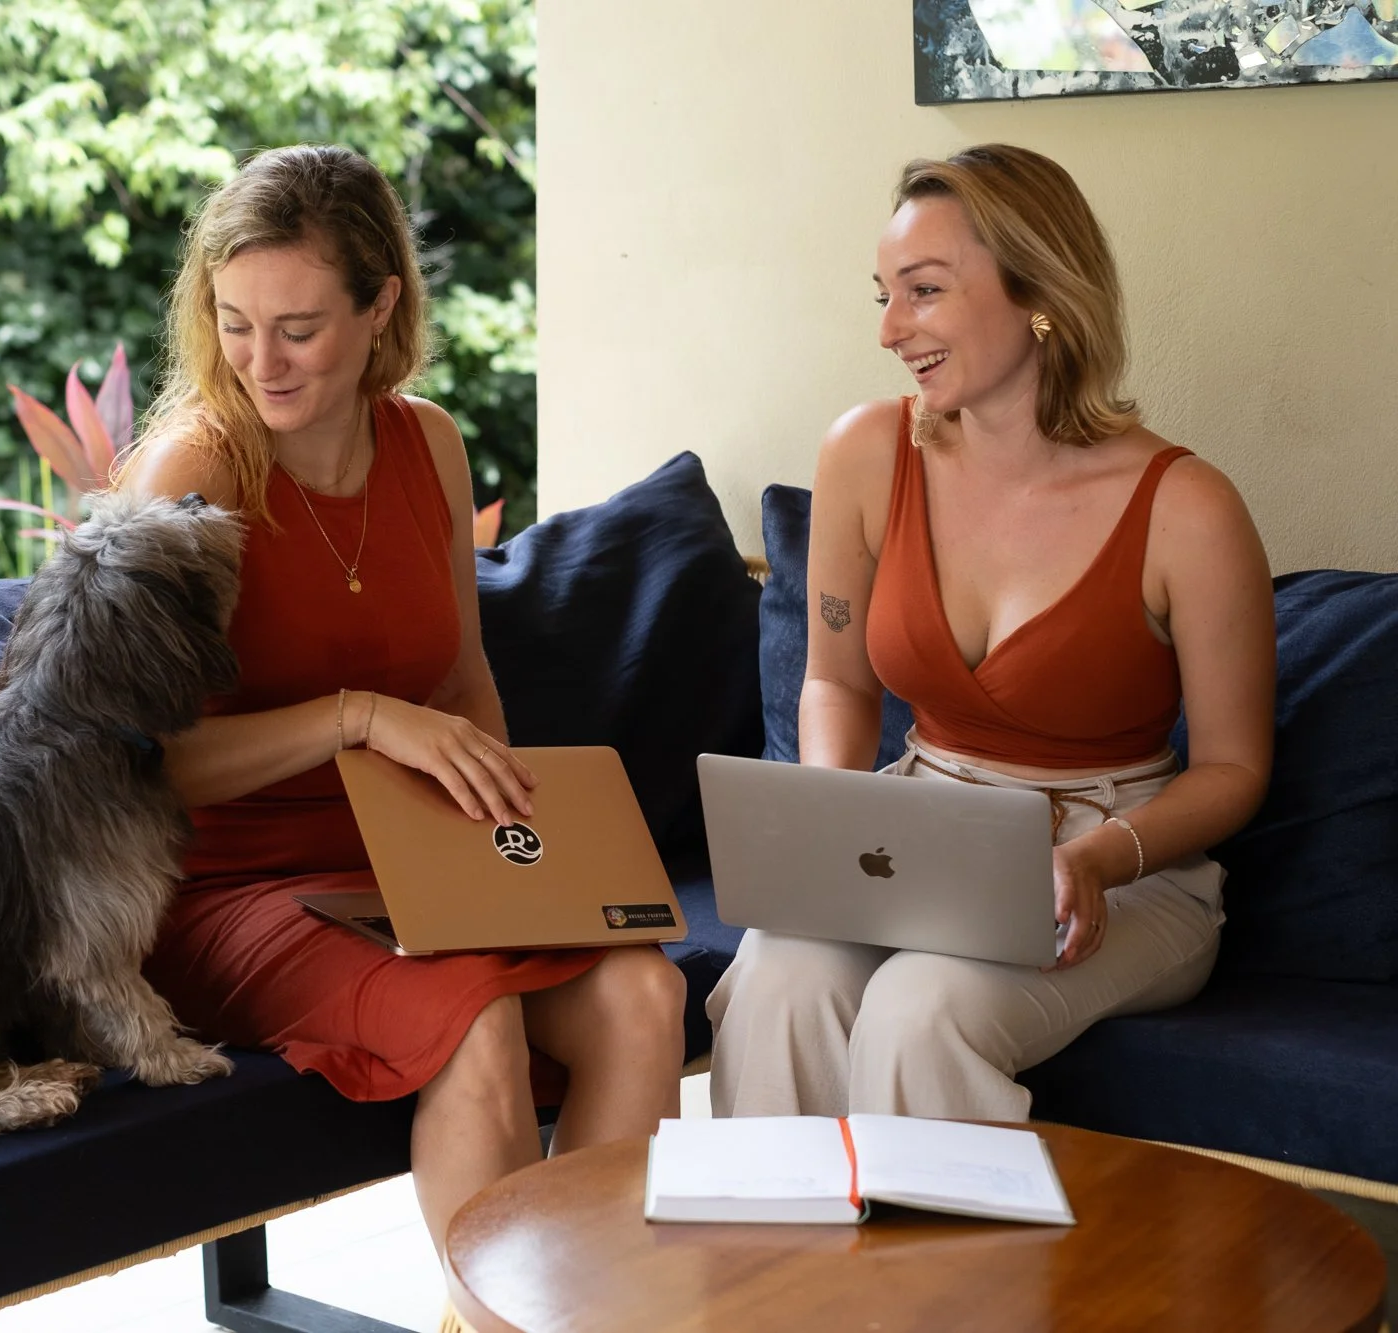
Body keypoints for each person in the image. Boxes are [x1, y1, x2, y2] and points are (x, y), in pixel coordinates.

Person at [120, 144, 686, 1277]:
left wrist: (518, 850)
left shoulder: (424, 440)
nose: (259, 360)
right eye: (234, 322)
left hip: (411, 862)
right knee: (473, 1018)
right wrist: (358, 717)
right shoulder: (198, 472)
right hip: (229, 889)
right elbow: (141, 758)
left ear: (381, 304)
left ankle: (584, 1305)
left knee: (643, 990)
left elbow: (463, 680)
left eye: (297, 325)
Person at [708, 143, 1275, 1121]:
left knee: (920, 1008)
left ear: (1038, 290)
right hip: (914, 835)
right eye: (881, 294)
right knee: (778, 975)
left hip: (1119, 863)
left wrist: (1093, 862)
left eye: (921, 291)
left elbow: (1231, 770)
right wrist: (832, 834)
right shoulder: (864, 451)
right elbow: (837, 682)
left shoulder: (1187, 508)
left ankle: (941, 1280)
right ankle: (765, 1266)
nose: (889, 329)